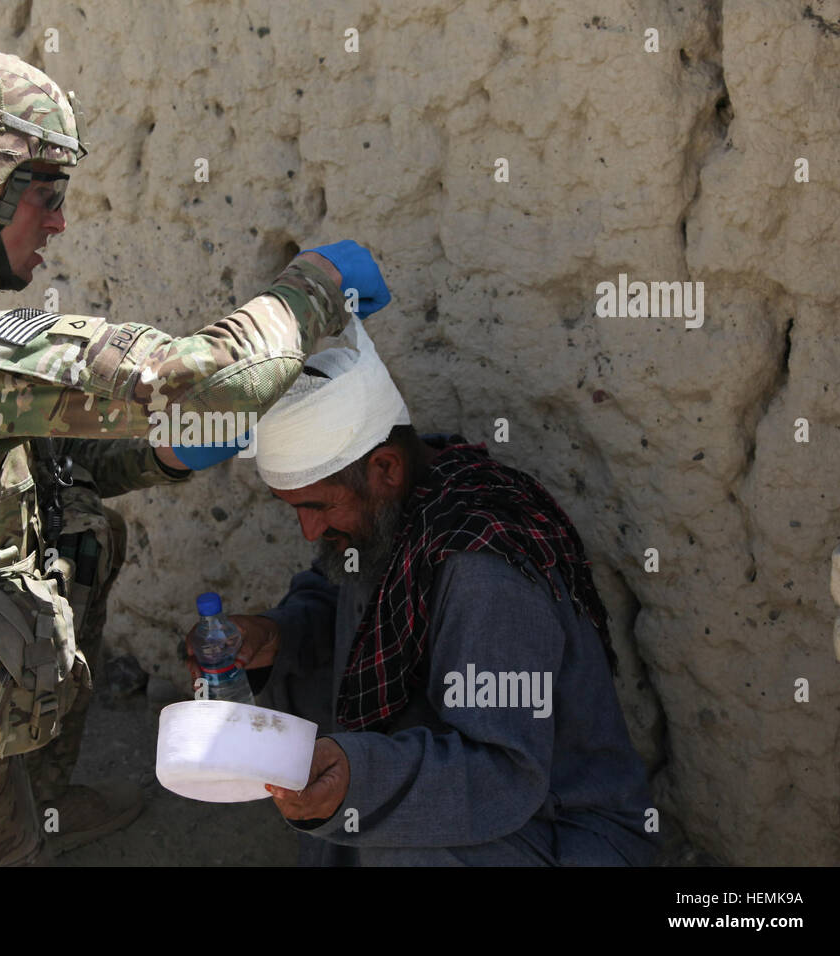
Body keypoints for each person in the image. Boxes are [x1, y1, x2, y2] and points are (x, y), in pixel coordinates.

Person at [0, 42, 388, 866]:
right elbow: (199, 381)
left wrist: (165, 458)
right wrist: (316, 287)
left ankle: (38, 802)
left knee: (80, 534)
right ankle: (13, 828)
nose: (58, 221)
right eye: (44, 195)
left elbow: (23, 472)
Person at [193, 317, 659, 865]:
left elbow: (505, 772)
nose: (308, 532)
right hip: (477, 785)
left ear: (384, 468)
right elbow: (342, 605)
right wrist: (276, 635)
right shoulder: (393, 509)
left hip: (558, 825)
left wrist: (359, 778)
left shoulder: (484, 572)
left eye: (316, 508)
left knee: (392, 833)